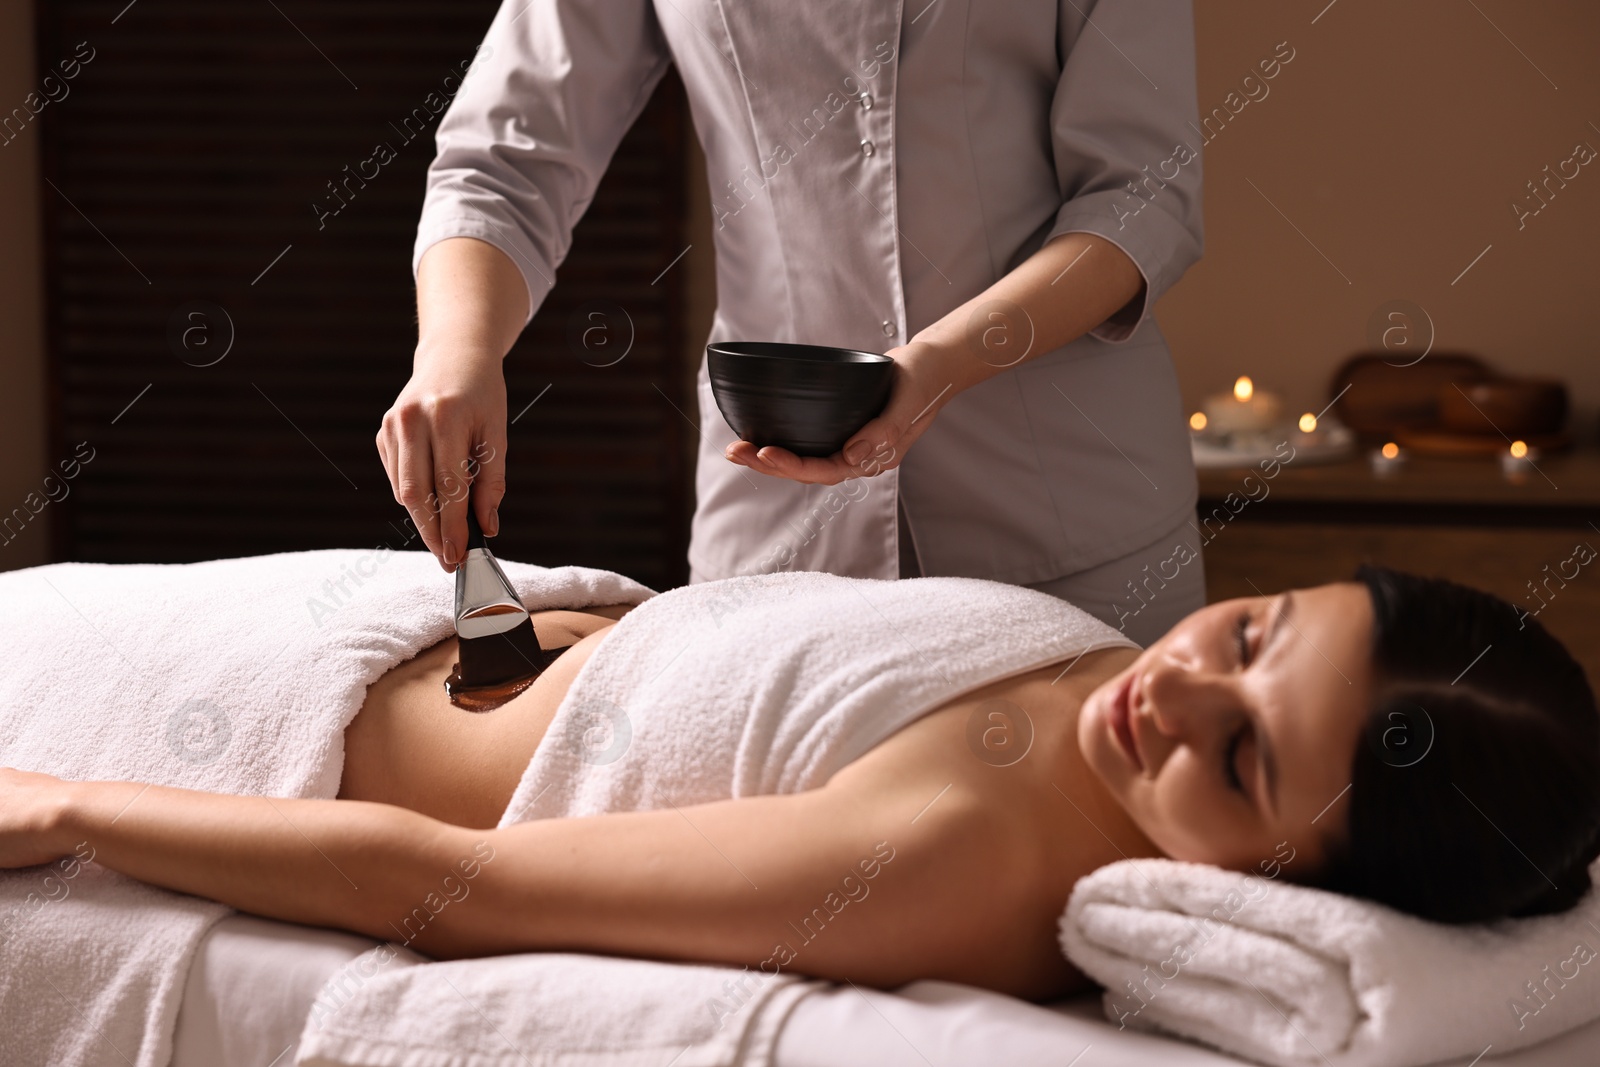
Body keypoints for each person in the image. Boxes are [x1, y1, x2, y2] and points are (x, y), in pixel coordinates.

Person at [4, 567, 1596, 999]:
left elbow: (451, 887)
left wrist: (68, 807)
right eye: (1250, 627)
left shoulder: (961, 865)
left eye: (1243, 758)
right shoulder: (1126, 729)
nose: (1170, 687)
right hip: (386, 618)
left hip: (229, 717)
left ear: (1280, 881)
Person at [375, 0, 1209, 648]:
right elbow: (505, 160)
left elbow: (1141, 196)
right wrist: (456, 354)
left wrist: (941, 364)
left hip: (1075, 531)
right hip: (776, 540)